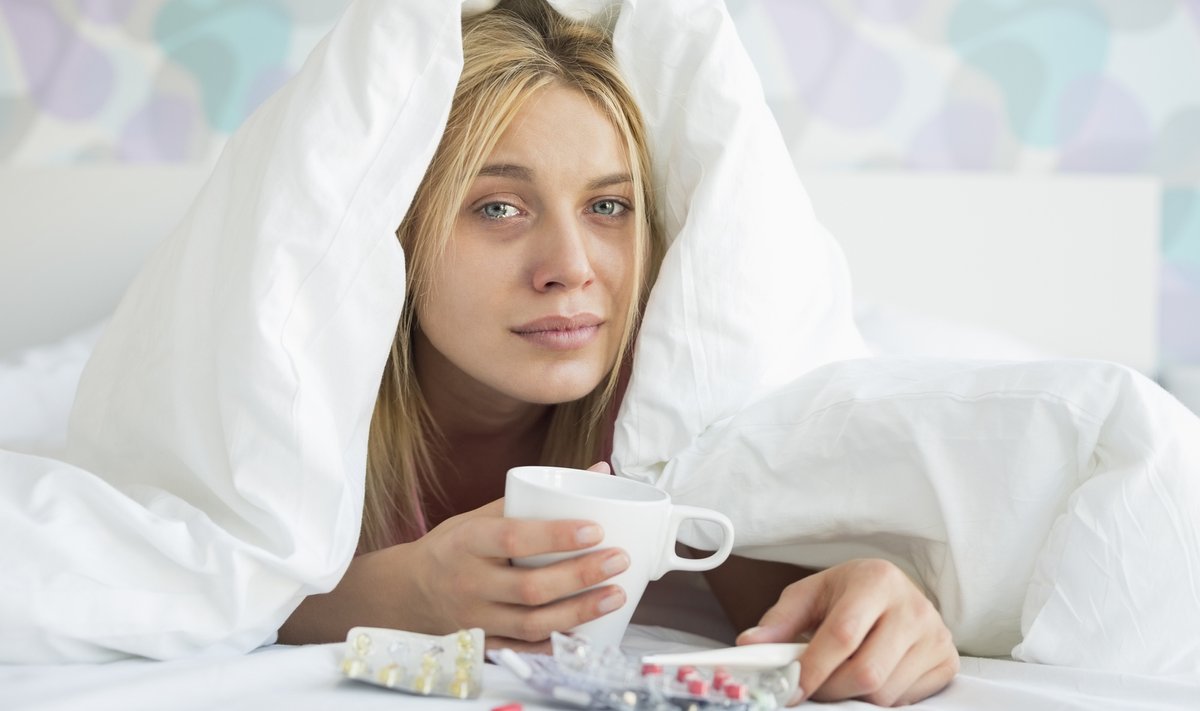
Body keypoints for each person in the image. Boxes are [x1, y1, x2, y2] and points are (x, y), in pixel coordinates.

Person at [277, 1, 958, 706]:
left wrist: (879, 601)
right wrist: (408, 590)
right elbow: (209, 582)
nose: (570, 268)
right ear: (396, 227)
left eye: (608, 207)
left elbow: (779, 598)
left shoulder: (667, 399)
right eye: (499, 207)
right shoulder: (300, 392)